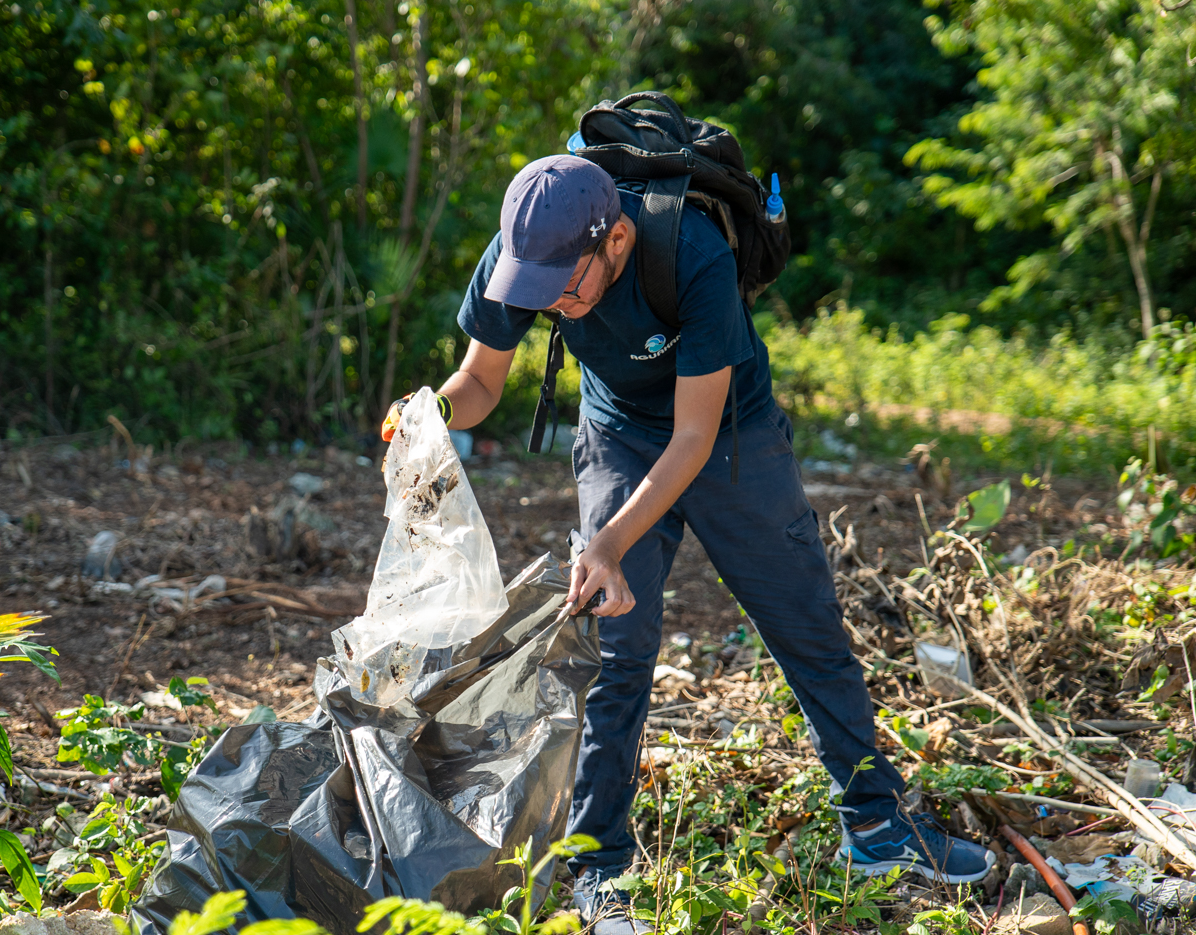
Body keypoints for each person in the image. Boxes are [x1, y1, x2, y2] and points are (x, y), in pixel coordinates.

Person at [381, 155, 994, 934]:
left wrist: (607, 540)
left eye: (568, 288)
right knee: (612, 640)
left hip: (730, 432)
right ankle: (599, 860)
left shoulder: (693, 252)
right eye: (540, 295)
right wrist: (427, 410)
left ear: (618, 241)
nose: (558, 309)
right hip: (618, 433)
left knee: (805, 624)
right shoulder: (527, 255)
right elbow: (481, 382)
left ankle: (875, 823)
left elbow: (695, 436)